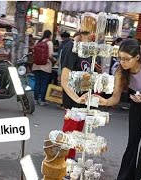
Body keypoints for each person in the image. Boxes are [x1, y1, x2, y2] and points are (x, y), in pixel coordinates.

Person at [92, 39, 141, 180]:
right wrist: (103, 101)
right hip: (137, 99)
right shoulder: (121, 71)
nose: (123, 62)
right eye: (120, 58)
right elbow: (115, 99)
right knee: (133, 139)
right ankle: (125, 176)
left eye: (127, 59)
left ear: (137, 57)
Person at [60, 31, 92, 159]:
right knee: (70, 133)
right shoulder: (72, 47)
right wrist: (76, 98)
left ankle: (70, 162)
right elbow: (64, 80)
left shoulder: (88, 49)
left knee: (77, 135)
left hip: (83, 100)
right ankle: (64, 163)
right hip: (73, 100)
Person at [32, 30, 56, 106]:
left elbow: (33, 53)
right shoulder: (49, 43)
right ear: (50, 36)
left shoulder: (37, 42)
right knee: (44, 84)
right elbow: (50, 55)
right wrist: (54, 61)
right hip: (46, 66)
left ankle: (35, 99)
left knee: (37, 83)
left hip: (36, 66)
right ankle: (42, 100)